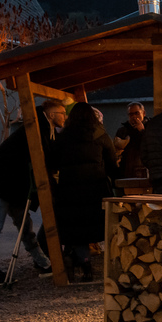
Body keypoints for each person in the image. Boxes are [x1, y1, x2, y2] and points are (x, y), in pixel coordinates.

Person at [0, 100, 63, 285]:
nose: (65, 117)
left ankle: (43, 262)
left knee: (24, 225)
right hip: (1, 182)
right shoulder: (38, 129)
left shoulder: (42, 128)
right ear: (52, 114)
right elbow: (49, 158)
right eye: (62, 113)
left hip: (13, 184)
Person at [51, 102, 119, 282]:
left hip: (69, 191)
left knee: (77, 230)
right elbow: (112, 165)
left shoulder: (63, 138)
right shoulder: (101, 135)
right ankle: (104, 265)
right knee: (99, 227)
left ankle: (84, 263)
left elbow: (53, 162)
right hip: (96, 190)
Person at [114, 102, 149, 179]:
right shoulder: (123, 131)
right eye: (131, 114)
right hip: (127, 171)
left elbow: (150, 145)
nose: (134, 117)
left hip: (144, 170)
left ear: (143, 113)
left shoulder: (150, 128)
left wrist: (142, 131)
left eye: (137, 113)